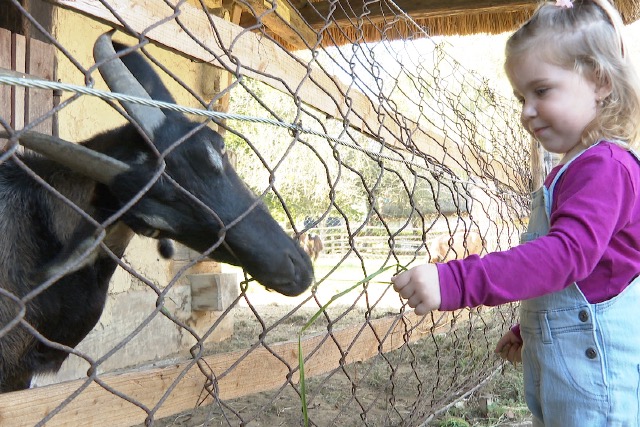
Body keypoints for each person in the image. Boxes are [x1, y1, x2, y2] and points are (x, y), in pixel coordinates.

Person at [391, 1, 640, 425]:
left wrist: (454, 281)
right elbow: (588, 278)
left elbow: (565, 257)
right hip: (572, 366)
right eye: (521, 96)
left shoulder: (606, 168)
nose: (526, 110)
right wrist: (532, 330)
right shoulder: (575, 168)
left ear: (599, 80)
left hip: (596, 378)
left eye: (541, 91)